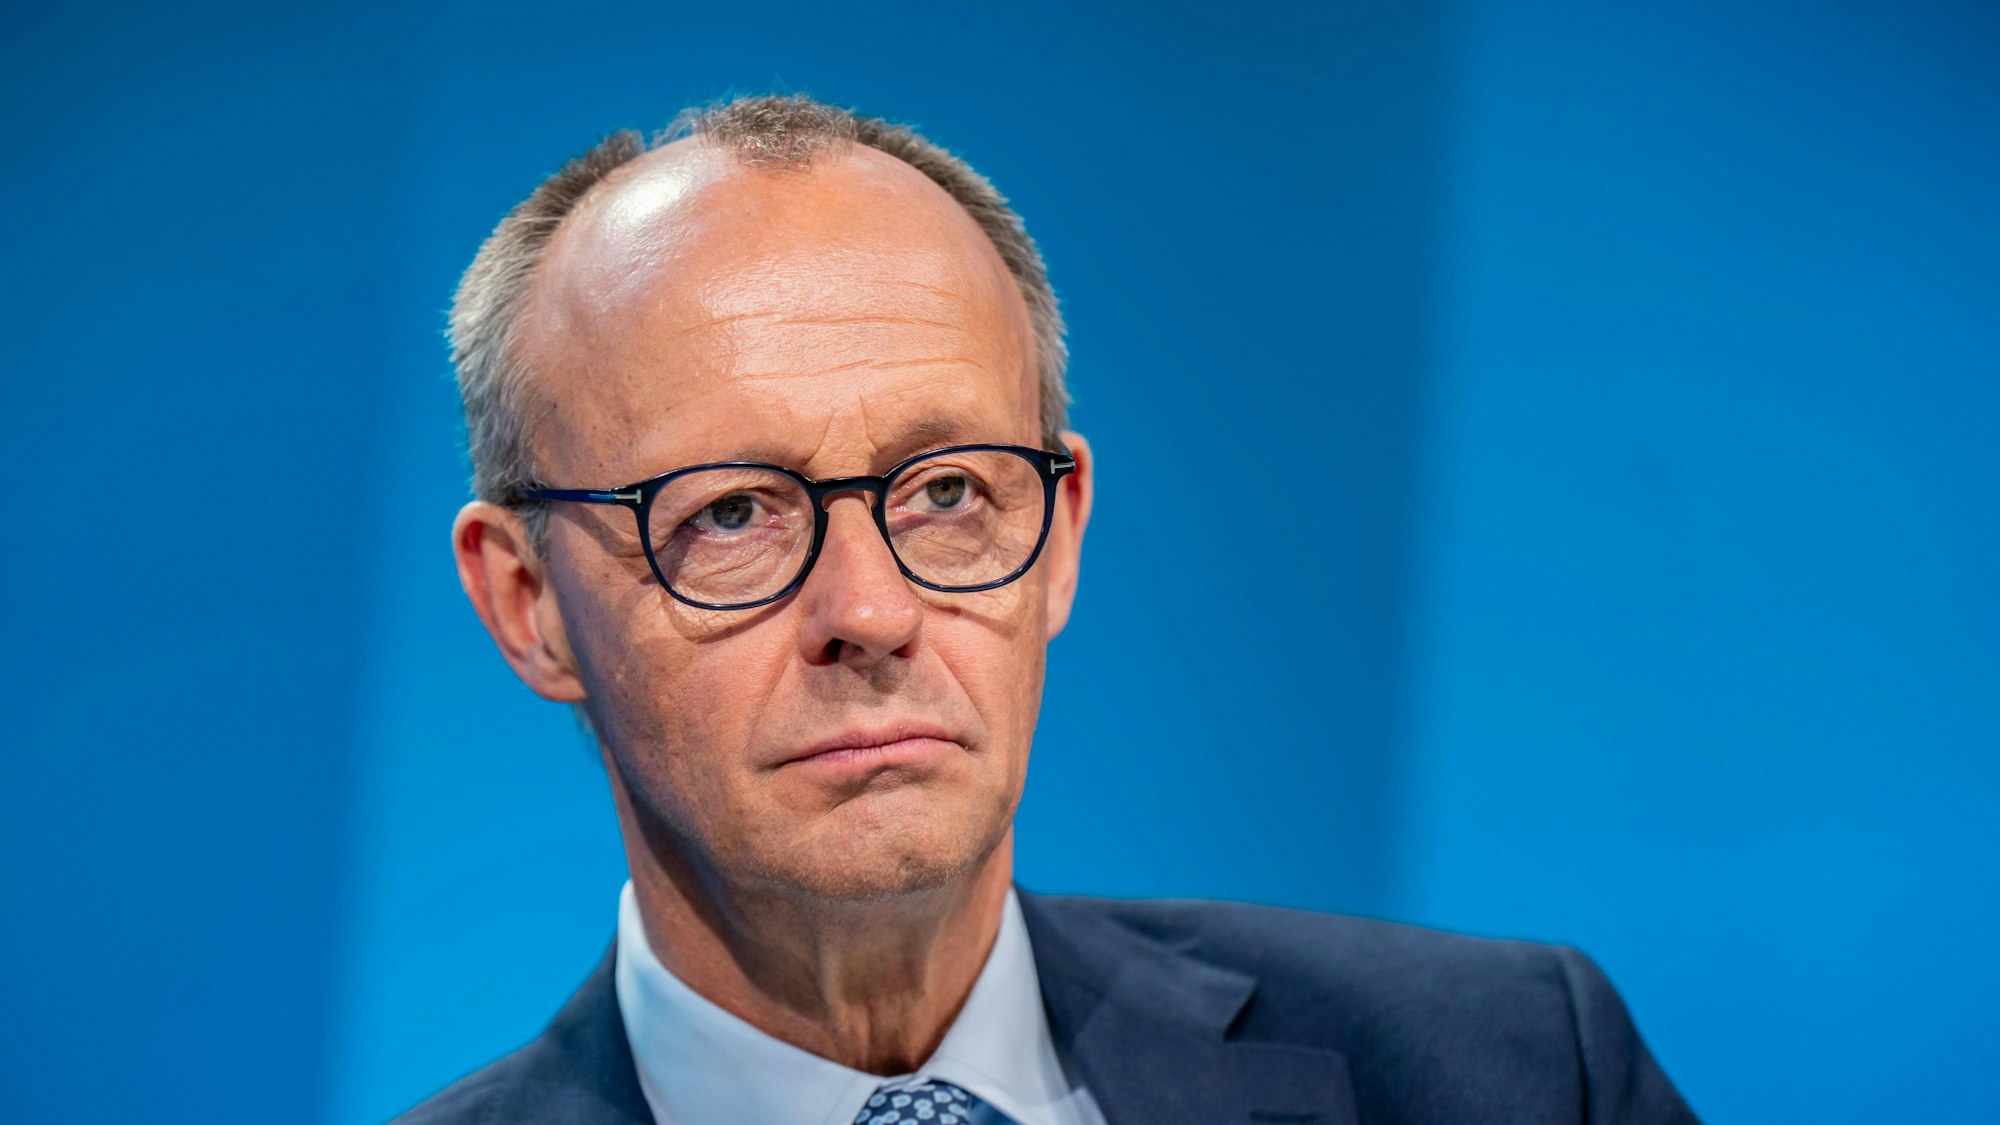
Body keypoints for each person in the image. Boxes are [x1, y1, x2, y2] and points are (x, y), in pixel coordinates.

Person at [400, 93, 1698, 1124]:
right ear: (529, 604)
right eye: (732, 512)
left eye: (950, 489)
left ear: (1060, 535)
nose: (872, 608)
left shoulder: (1516, 1073)